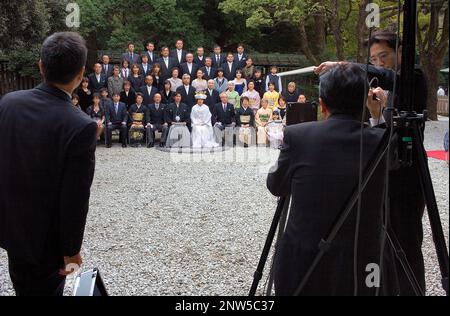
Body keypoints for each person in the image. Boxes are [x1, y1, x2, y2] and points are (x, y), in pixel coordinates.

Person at [315, 29, 428, 296]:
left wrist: (345, 66)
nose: (380, 65)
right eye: (374, 59)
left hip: (408, 174)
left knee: (408, 244)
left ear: (401, 53)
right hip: (382, 172)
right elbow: (377, 134)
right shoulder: (383, 85)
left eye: (384, 56)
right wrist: (376, 115)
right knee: (381, 245)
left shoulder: (414, 79)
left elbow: (397, 85)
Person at [267, 63, 395, 296]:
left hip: (303, 260)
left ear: (323, 104)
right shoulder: (381, 141)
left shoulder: (298, 135)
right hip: (362, 262)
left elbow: (276, 185)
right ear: (364, 102)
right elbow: (391, 163)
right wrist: (379, 117)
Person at [0, 32, 97, 296]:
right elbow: (74, 199)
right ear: (80, 74)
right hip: (45, 242)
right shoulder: (80, 126)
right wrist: (71, 251)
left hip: (12, 230)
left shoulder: (9, 103)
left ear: (41, 65)